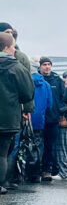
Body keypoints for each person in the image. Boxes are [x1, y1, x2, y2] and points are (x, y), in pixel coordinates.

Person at [0, 32, 35, 193]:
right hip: (8, 118)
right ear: (7, 47)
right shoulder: (17, 68)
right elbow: (27, 94)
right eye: (13, 46)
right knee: (3, 152)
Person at [38, 57, 67, 182]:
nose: (47, 67)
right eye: (44, 64)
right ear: (40, 66)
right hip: (38, 118)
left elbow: (64, 97)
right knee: (38, 145)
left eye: (49, 64)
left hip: (52, 119)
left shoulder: (57, 80)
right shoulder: (36, 79)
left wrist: (60, 110)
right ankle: (35, 170)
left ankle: (47, 170)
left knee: (50, 146)